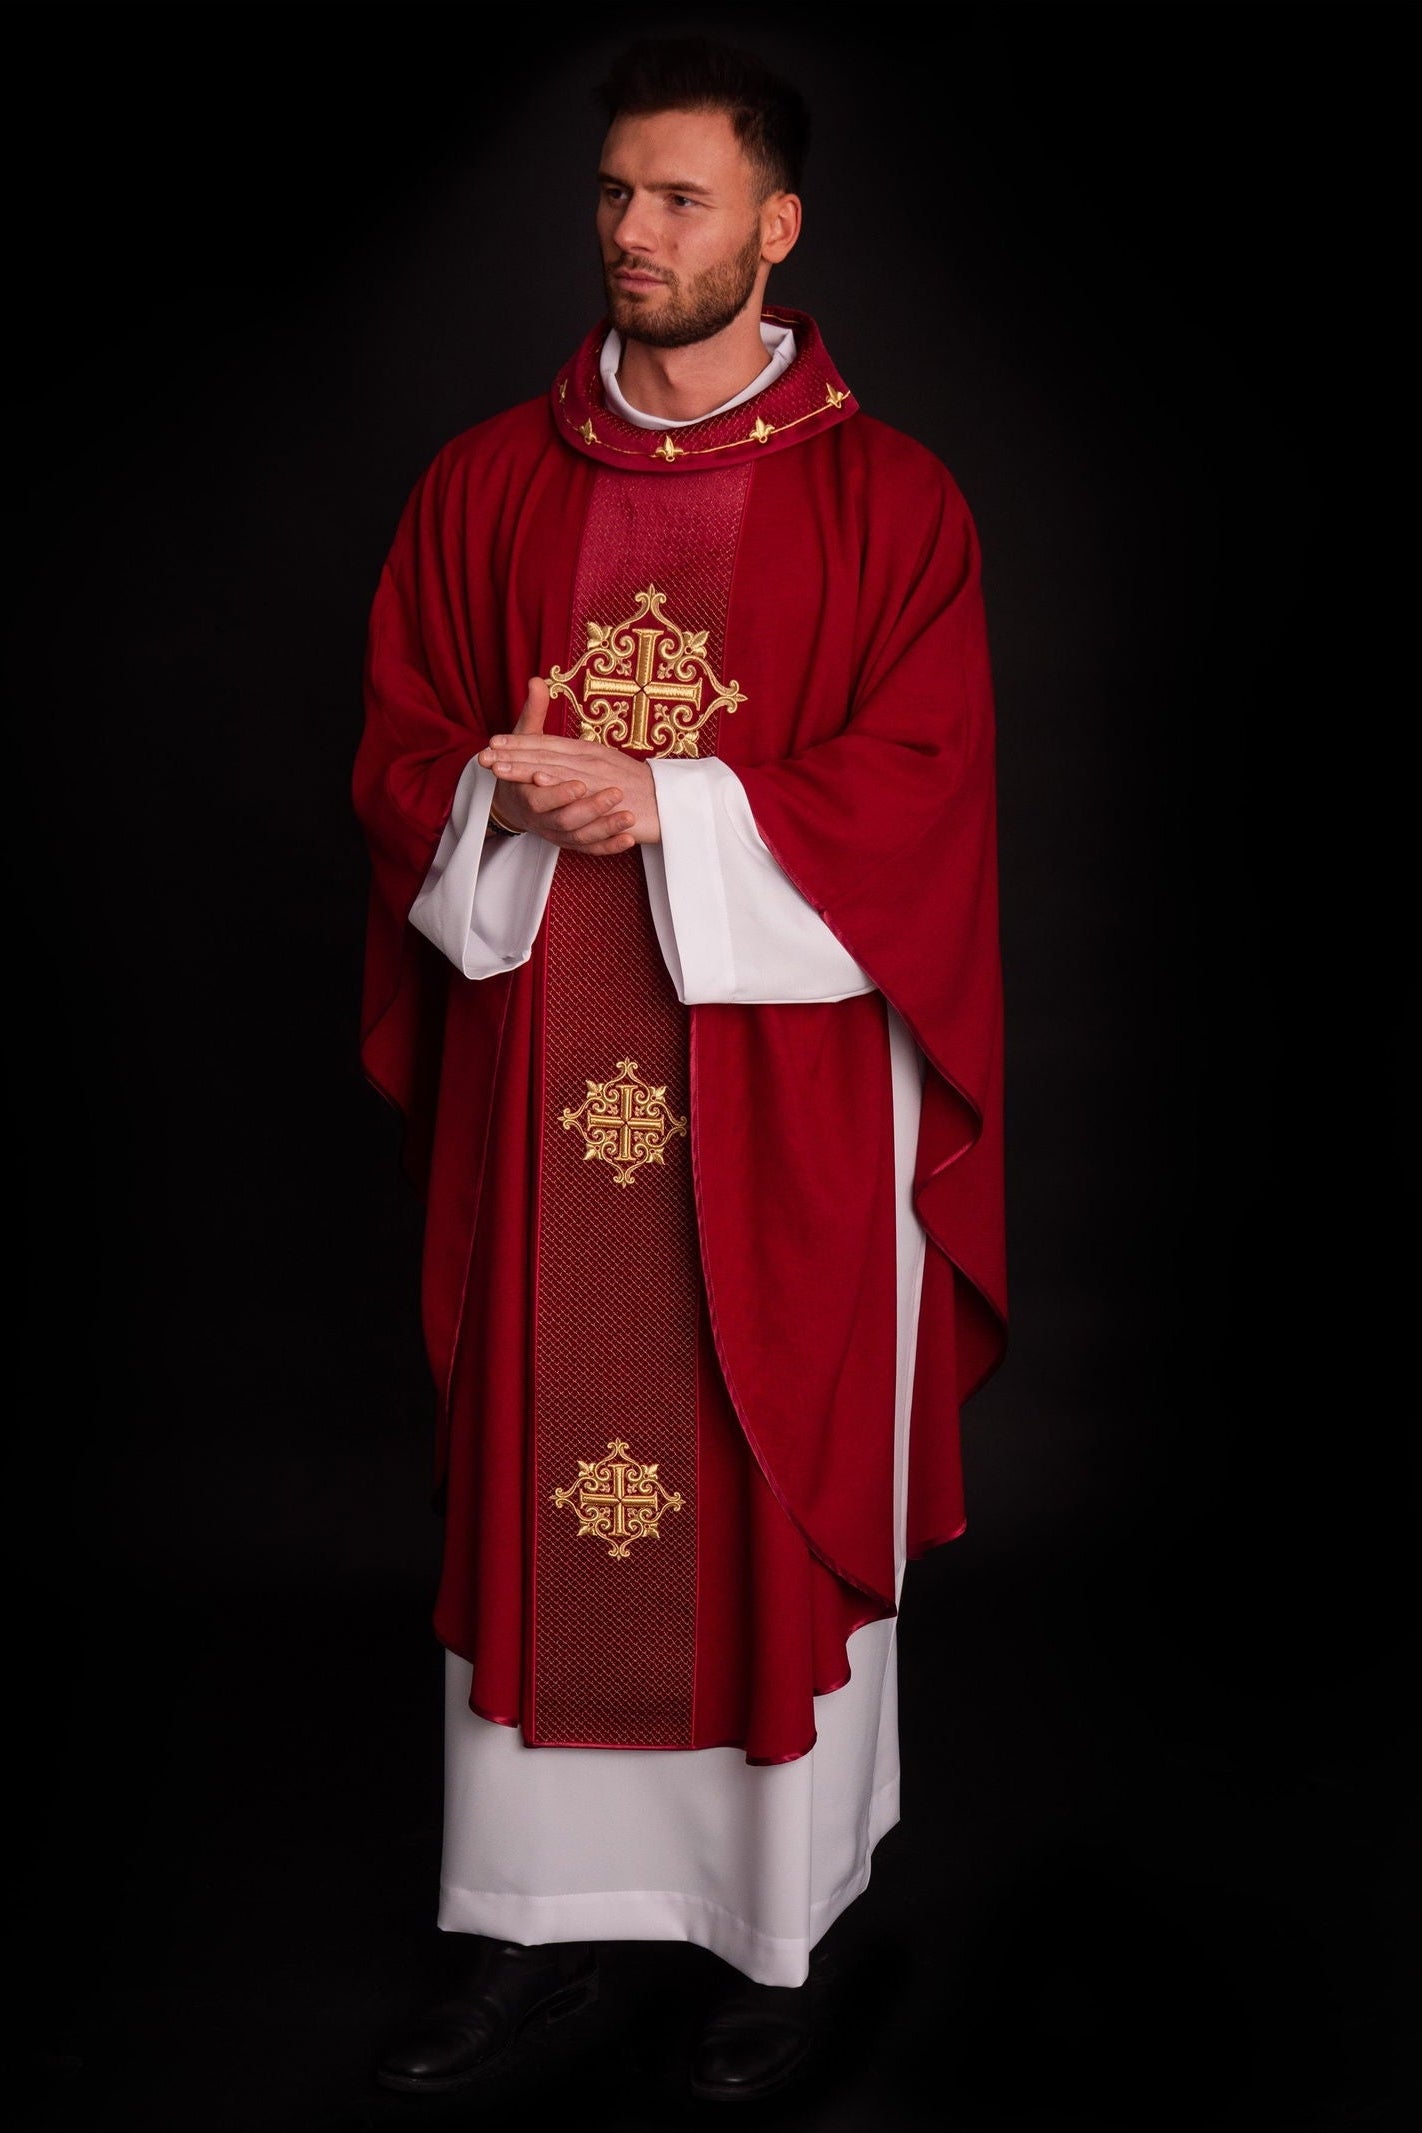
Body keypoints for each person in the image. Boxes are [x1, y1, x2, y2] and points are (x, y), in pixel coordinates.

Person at [353, 33, 1006, 2105]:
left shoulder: (890, 500)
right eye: (617, 197)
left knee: (745, 1476)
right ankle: (527, 1931)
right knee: (545, 1479)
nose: (634, 234)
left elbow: (918, 797)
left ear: (776, 228)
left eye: (683, 201)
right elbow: (397, 749)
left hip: (774, 1122)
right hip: (546, 1077)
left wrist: (686, 810)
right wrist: (495, 795)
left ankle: (772, 1938)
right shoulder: (487, 479)